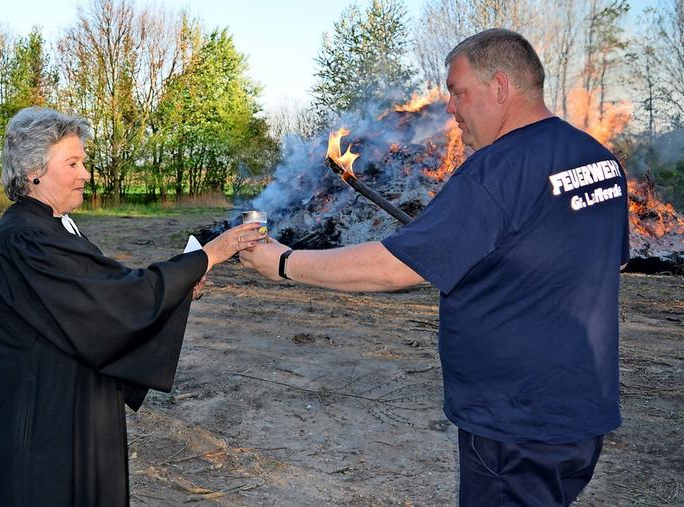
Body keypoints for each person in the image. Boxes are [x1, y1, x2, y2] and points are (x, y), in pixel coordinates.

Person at [240, 29, 629, 506]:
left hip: (516, 420)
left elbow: (392, 266)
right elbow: (599, 259)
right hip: (581, 408)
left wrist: (282, 262)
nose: (450, 107)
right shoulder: (598, 160)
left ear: (501, 87)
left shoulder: (496, 171)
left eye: (458, 91)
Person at [0, 106, 265, 506]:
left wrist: (183, 289)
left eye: (84, 161)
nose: (86, 174)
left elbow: (105, 291)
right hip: (25, 435)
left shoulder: (52, 226)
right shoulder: (24, 239)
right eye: (73, 163)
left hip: (57, 415)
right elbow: (114, 304)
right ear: (34, 171)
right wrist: (207, 256)